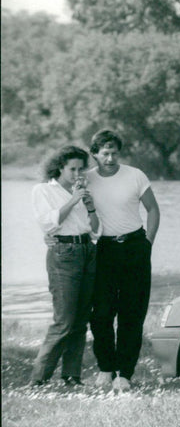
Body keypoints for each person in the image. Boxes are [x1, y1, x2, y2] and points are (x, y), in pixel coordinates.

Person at [86, 129, 160, 392]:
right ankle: (106, 367)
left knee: (132, 314)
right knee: (101, 313)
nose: (110, 158)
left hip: (135, 247)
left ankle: (124, 374)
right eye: (104, 153)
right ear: (94, 153)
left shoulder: (135, 175)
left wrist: (148, 243)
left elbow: (153, 209)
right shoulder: (87, 180)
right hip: (104, 249)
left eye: (114, 152)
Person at [30, 146, 100, 386]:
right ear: (60, 166)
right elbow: (50, 224)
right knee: (64, 320)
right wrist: (74, 200)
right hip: (64, 253)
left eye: (82, 169)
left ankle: (72, 377)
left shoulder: (83, 190)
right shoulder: (43, 190)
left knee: (81, 320)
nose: (77, 174)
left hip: (88, 250)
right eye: (73, 169)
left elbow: (96, 229)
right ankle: (38, 379)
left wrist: (89, 206)